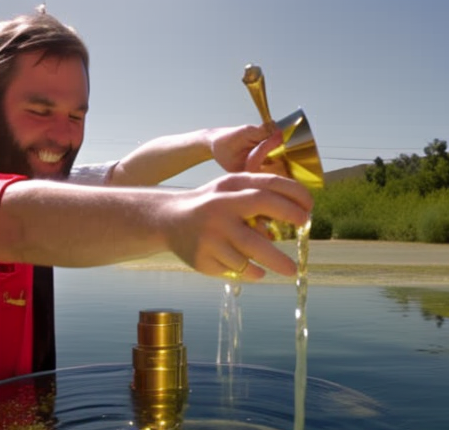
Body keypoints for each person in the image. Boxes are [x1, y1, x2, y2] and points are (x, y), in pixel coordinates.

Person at [0, 7, 312, 380]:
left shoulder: (43, 187)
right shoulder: (20, 211)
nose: (62, 136)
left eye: (76, 117)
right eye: (38, 110)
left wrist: (209, 142)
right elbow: (18, 223)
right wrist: (173, 219)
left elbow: (123, 177)